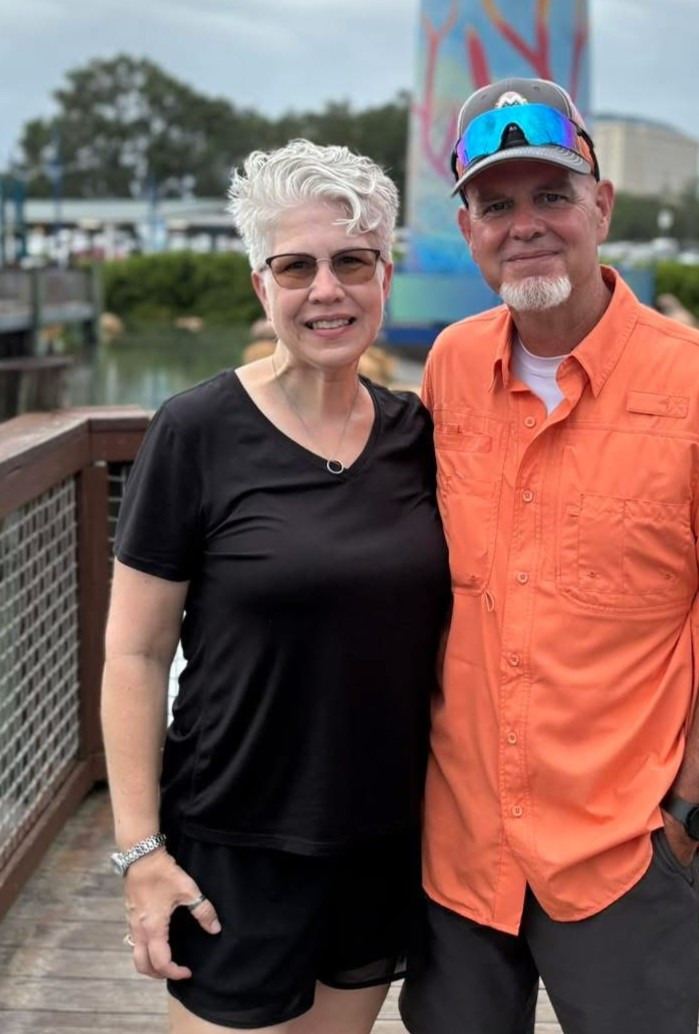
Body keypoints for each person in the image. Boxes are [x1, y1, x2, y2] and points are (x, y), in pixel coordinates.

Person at [399, 78, 699, 1034]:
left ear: (602, 205)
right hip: (458, 847)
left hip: (621, 852)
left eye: (551, 194)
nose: (525, 225)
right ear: (467, 229)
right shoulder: (449, 366)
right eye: (496, 205)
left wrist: (689, 814)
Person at [100, 139, 450, 1033]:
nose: (326, 290)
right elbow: (135, 652)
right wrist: (140, 852)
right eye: (296, 266)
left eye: (352, 263)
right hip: (234, 841)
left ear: (384, 276)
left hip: (379, 838)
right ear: (262, 286)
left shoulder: (419, 436)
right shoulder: (195, 430)